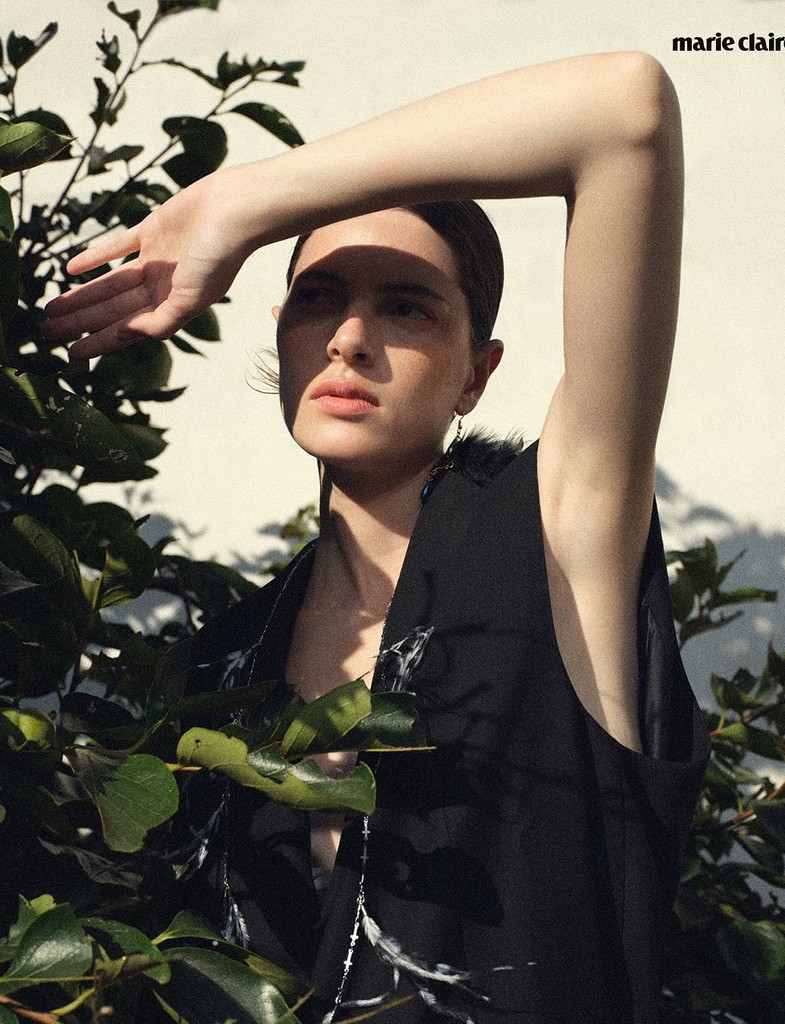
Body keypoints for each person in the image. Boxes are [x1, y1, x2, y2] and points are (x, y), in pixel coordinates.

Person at [45, 52, 710, 1024]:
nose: (350, 338)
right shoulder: (223, 657)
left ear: (475, 373)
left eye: (406, 305)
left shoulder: (559, 539)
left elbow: (625, 110)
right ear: (283, 337)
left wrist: (248, 203)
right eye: (319, 297)